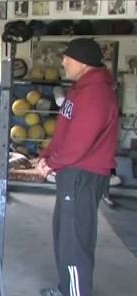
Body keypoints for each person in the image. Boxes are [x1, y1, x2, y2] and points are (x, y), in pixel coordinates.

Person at [36, 38, 118, 296]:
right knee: (65, 236)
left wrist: (51, 163)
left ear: (81, 62)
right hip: (72, 172)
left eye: (67, 58)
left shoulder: (96, 94)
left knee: (74, 243)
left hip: (82, 174)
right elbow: (65, 132)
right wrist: (47, 154)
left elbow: (78, 143)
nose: (63, 62)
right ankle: (66, 289)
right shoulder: (81, 89)